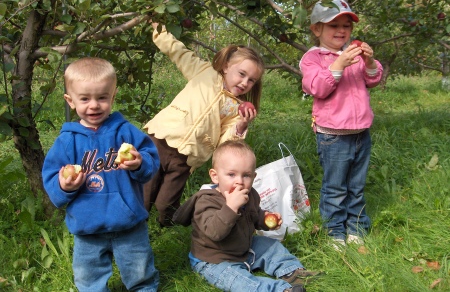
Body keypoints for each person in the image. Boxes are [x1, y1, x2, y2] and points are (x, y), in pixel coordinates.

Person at [42, 57, 160, 292]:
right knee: (88, 276)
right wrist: (65, 185)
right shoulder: (67, 142)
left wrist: (138, 163)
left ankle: (143, 288)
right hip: (88, 224)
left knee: (139, 268)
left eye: (102, 98)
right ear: (70, 101)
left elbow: (151, 158)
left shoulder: (125, 132)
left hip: (128, 221)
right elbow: (51, 176)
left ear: (112, 97)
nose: (94, 105)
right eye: (85, 99)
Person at [143, 22, 265, 227]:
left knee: (167, 203)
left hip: (187, 157)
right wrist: (159, 29)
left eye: (251, 80)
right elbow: (179, 53)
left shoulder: (237, 109)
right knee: (145, 191)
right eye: (242, 74)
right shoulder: (205, 73)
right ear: (226, 67)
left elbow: (226, 143)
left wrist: (241, 126)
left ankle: (170, 228)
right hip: (160, 140)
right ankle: (135, 227)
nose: (245, 83)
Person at [173, 140, 319, 292]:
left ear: (254, 177)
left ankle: (292, 271)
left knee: (271, 246)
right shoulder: (206, 201)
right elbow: (214, 233)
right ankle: (279, 290)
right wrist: (231, 207)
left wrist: (264, 219)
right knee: (240, 282)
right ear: (215, 176)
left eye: (246, 175)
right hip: (215, 260)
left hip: (244, 247)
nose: (239, 182)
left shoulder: (250, 195)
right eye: (231, 174)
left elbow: (253, 216)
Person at [299, 0, 383, 248]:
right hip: (333, 135)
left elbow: (373, 79)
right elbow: (317, 88)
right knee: (335, 187)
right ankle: (335, 231)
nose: (342, 31)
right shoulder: (313, 58)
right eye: (334, 26)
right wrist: (338, 64)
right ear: (317, 30)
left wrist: (368, 61)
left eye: (346, 26)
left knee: (356, 186)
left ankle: (356, 226)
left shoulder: (354, 56)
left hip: (360, 133)